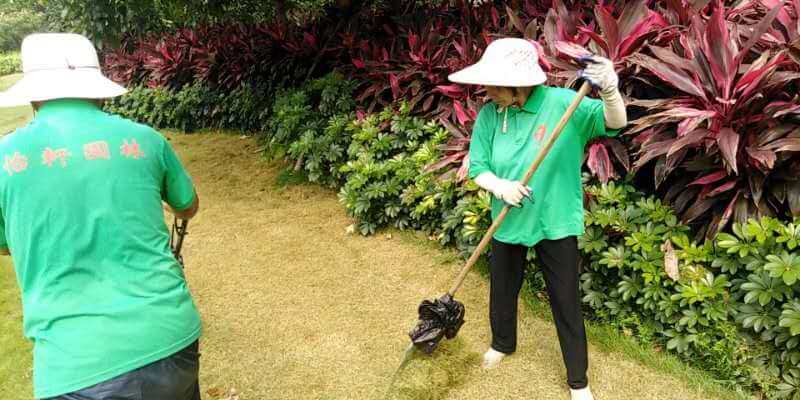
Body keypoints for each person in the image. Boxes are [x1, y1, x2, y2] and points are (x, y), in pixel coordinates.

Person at [0, 33, 202, 400]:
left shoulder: (5, 156)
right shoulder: (145, 139)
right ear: (99, 89)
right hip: (171, 339)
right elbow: (187, 204)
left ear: (33, 95)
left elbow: (4, 244)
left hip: (76, 364)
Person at [448, 38, 627, 400]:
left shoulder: (565, 105)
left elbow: (615, 122)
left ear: (519, 84)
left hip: (554, 218)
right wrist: (499, 187)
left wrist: (610, 90)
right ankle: (502, 343)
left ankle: (579, 381)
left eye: (494, 84)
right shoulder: (488, 115)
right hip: (508, 218)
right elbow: (478, 168)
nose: (487, 90)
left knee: (565, 300)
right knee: (502, 288)